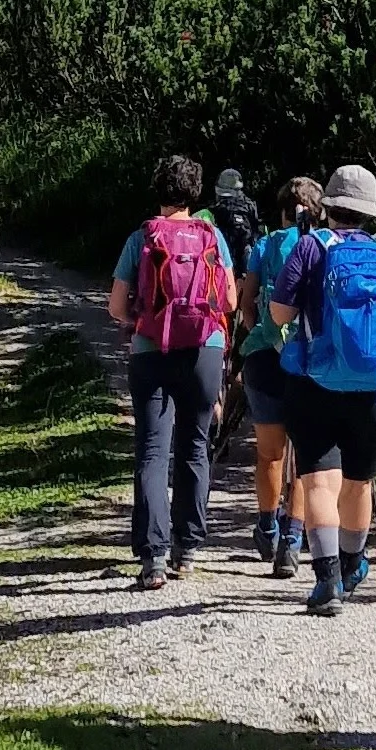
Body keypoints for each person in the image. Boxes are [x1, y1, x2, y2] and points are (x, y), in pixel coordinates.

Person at [271, 163, 376, 618]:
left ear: (327, 205)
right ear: (368, 212)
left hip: (316, 383)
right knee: (358, 482)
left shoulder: (311, 247)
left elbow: (278, 315)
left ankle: (327, 582)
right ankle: (352, 567)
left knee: (320, 483)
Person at [109, 155, 236, 592]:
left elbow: (114, 306)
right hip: (204, 350)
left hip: (151, 350)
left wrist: (139, 320)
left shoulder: (141, 237)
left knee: (151, 451)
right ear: (194, 192)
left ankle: (153, 558)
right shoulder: (213, 237)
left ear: (158, 190)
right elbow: (231, 302)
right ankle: (189, 549)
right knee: (195, 447)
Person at [235, 174, 322, 580]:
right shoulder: (323, 248)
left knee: (269, 454)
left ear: (283, 210)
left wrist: (257, 331)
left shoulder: (265, 246)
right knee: (304, 458)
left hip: (265, 360)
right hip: (308, 363)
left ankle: (267, 527)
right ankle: (292, 542)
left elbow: (245, 300)